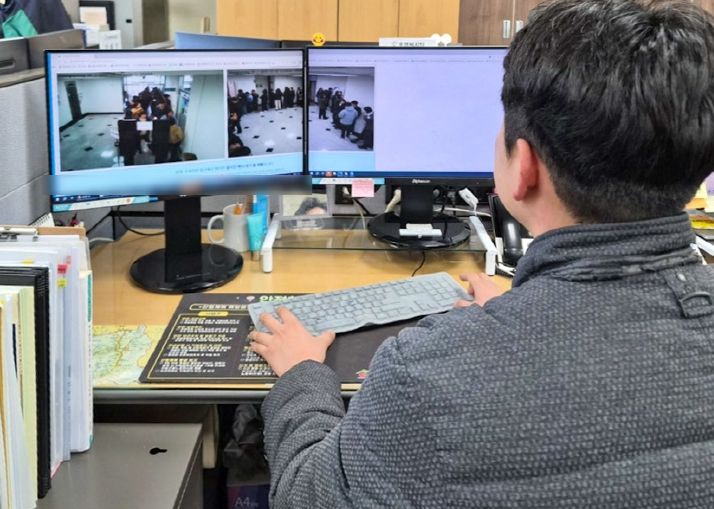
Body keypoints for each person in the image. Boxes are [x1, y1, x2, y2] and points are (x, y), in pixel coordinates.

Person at [248, 1, 714, 507]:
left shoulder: (428, 374)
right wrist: (523, 310)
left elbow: (306, 495)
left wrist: (302, 375)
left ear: (524, 167)